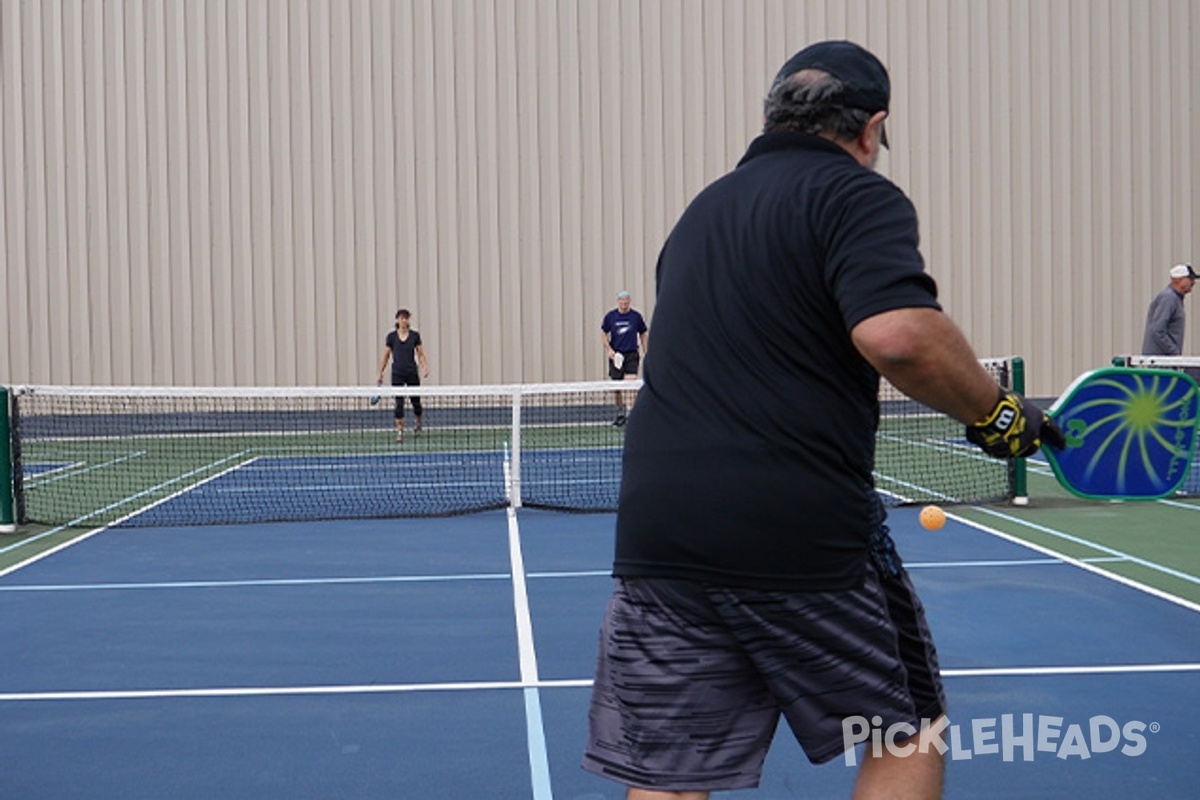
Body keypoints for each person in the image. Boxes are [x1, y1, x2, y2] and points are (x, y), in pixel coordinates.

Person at [582, 40, 1064, 800]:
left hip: (659, 530)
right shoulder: (853, 194)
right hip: (795, 530)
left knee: (670, 775)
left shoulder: (701, 213)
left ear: (772, 116)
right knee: (903, 734)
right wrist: (1000, 416)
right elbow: (899, 335)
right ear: (872, 128)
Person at [376, 308, 430, 443]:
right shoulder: (391, 337)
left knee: (416, 402)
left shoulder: (415, 336)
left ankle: (418, 423)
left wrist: (424, 367)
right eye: (401, 318)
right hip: (397, 374)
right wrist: (380, 372)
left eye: (406, 318)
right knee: (399, 404)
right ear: (397, 320)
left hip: (411, 372)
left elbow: (421, 354)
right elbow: (386, 356)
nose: (404, 320)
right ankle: (400, 431)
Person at [600, 290, 649, 426]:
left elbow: (643, 333)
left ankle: (631, 416)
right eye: (622, 300)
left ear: (629, 301)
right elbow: (603, 334)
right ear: (618, 302)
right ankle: (620, 413)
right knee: (617, 387)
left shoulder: (636, 317)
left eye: (626, 300)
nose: (624, 303)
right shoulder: (611, 317)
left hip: (631, 355)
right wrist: (609, 350)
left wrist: (647, 351)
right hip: (616, 355)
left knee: (630, 385)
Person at [1141, 263, 1197, 356]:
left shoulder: (1173, 298)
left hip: (1162, 360)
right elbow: (1157, 330)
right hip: (1160, 363)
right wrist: (1174, 352)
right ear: (1179, 280)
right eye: (1190, 279)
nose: (1193, 283)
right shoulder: (1169, 298)